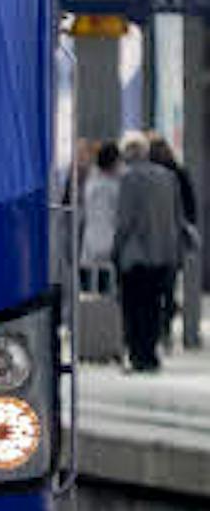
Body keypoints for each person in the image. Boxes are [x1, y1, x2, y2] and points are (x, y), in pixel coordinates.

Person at [113, 134, 185, 373]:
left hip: (134, 255)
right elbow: (176, 216)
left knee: (133, 307)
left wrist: (116, 247)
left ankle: (138, 355)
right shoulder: (168, 177)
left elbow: (125, 219)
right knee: (154, 306)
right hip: (162, 253)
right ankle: (151, 353)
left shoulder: (128, 178)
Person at [146, 136, 199, 350]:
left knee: (153, 289)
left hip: (151, 240)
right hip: (172, 240)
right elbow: (190, 209)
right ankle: (165, 329)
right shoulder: (179, 173)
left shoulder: (147, 176)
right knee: (167, 288)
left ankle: (159, 328)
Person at [79, 138, 122, 297]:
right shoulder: (114, 188)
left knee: (89, 295)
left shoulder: (90, 183)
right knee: (107, 295)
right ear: (114, 162)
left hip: (90, 245)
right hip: (110, 245)